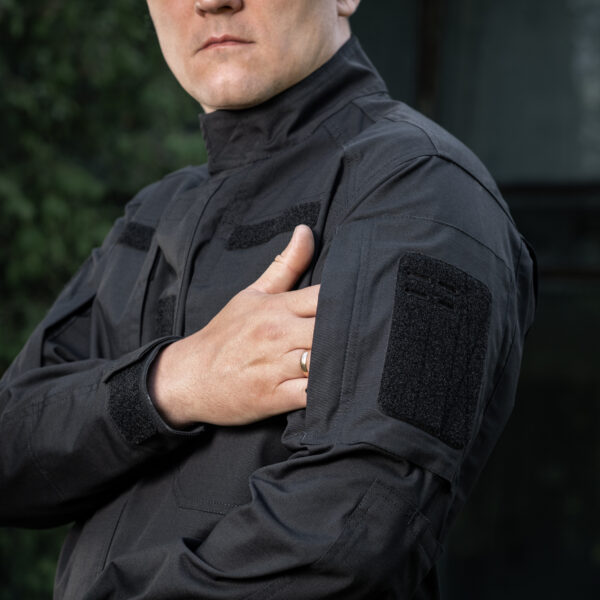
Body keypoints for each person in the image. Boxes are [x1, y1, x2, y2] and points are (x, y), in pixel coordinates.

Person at [0, 1, 536, 598]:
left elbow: (345, 540)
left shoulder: (421, 191)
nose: (212, 0)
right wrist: (173, 381)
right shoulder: (151, 217)